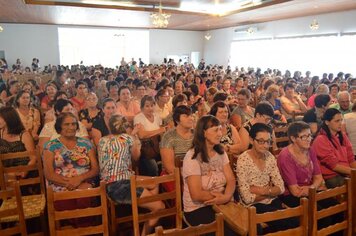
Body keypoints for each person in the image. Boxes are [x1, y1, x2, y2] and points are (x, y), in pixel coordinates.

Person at [98, 114, 164, 235]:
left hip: (108, 184)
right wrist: (134, 137)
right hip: (120, 185)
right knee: (160, 207)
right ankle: (146, 226)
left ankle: (149, 211)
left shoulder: (102, 140)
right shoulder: (128, 138)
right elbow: (136, 158)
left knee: (155, 182)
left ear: (109, 126)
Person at [236, 123, 298, 234]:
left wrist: (259, 190)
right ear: (251, 140)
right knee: (291, 223)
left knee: (295, 221)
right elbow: (247, 198)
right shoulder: (243, 160)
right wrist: (271, 191)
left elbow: (281, 188)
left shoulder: (269, 157)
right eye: (261, 141)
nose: (265, 145)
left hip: (272, 201)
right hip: (253, 207)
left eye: (268, 141)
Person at [42, 112, 99, 227]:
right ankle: (76, 228)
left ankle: (84, 230)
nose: (71, 127)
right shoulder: (50, 146)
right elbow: (49, 174)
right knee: (68, 198)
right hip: (60, 185)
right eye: (66, 124)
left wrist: (79, 179)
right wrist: (71, 183)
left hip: (84, 183)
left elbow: (95, 169)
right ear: (59, 127)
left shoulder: (86, 144)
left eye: (73, 124)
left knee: (85, 195)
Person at [182, 115, 235, 236]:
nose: (220, 133)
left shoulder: (220, 152)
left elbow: (231, 179)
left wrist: (226, 197)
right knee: (228, 233)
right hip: (198, 208)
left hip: (222, 202)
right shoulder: (192, 157)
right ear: (204, 133)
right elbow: (196, 194)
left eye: (220, 129)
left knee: (252, 227)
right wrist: (221, 197)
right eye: (216, 130)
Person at [277, 121, 324, 207]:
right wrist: (313, 188)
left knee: (335, 207)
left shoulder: (310, 150)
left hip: (310, 189)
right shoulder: (285, 156)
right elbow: (295, 191)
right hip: (290, 195)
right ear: (293, 138)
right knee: (322, 215)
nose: (309, 139)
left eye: (310, 135)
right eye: (304, 137)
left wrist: (311, 188)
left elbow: (319, 178)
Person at [312, 108, 356, 188]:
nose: (340, 123)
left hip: (347, 173)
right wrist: (353, 172)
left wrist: (353, 171)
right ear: (327, 122)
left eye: (341, 120)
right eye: (337, 121)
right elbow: (334, 165)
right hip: (332, 177)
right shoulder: (320, 139)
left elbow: (351, 158)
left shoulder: (343, 135)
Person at [134, 95, 166, 176]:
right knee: (153, 168)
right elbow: (141, 135)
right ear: (142, 108)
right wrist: (158, 130)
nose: (150, 108)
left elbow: (162, 133)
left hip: (158, 146)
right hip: (146, 150)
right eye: (147, 106)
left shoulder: (157, 116)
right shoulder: (138, 118)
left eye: (152, 105)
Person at [0, 107, 36, 177]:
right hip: (5, 172)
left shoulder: (24, 135)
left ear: (8, 118)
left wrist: (25, 171)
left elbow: (33, 158)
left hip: (24, 171)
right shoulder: (0, 133)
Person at [160, 105, 194, 178]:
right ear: (177, 120)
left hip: (194, 173)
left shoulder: (196, 135)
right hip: (173, 176)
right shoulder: (169, 137)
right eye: (186, 116)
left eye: (191, 116)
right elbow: (169, 168)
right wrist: (188, 177)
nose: (190, 118)